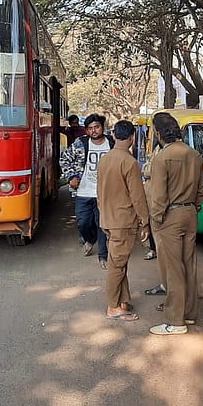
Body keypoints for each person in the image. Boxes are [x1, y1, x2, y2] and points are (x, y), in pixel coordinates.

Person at [146, 112, 203, 335]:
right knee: (189, 265)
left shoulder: (162, 158)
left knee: (173, 269)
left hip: (170, 216)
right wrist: (193, 207)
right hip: (190, 213)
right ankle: (189, 313)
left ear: (158, 133)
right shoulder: (195, 155)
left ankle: (175, 321)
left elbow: (159, 196)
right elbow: (201, 191)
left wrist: (157, 218)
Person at [96, 120, 151, 322]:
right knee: (117, 266)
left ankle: (122, 301)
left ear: (113, 135)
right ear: (132, 137)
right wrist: (145, 221)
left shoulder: (105, 160)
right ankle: (113, 307)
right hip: (123, 222)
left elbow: (99, 192)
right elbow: (137, 196)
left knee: (119, 263)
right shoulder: (129, 162)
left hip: (108, 219)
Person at [59, 113, 115, 268]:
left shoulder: (112, 143)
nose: (94, 131)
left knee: (101, 224)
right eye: (90, 128)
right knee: (83, 223)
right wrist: (71, 177)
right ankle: (90, 239)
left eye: (96, 127)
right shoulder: (80, 143)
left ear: (103, 127)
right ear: (86, 130)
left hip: (104, 193)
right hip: (83, 192)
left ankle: (103, 256)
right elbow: (64, 159)